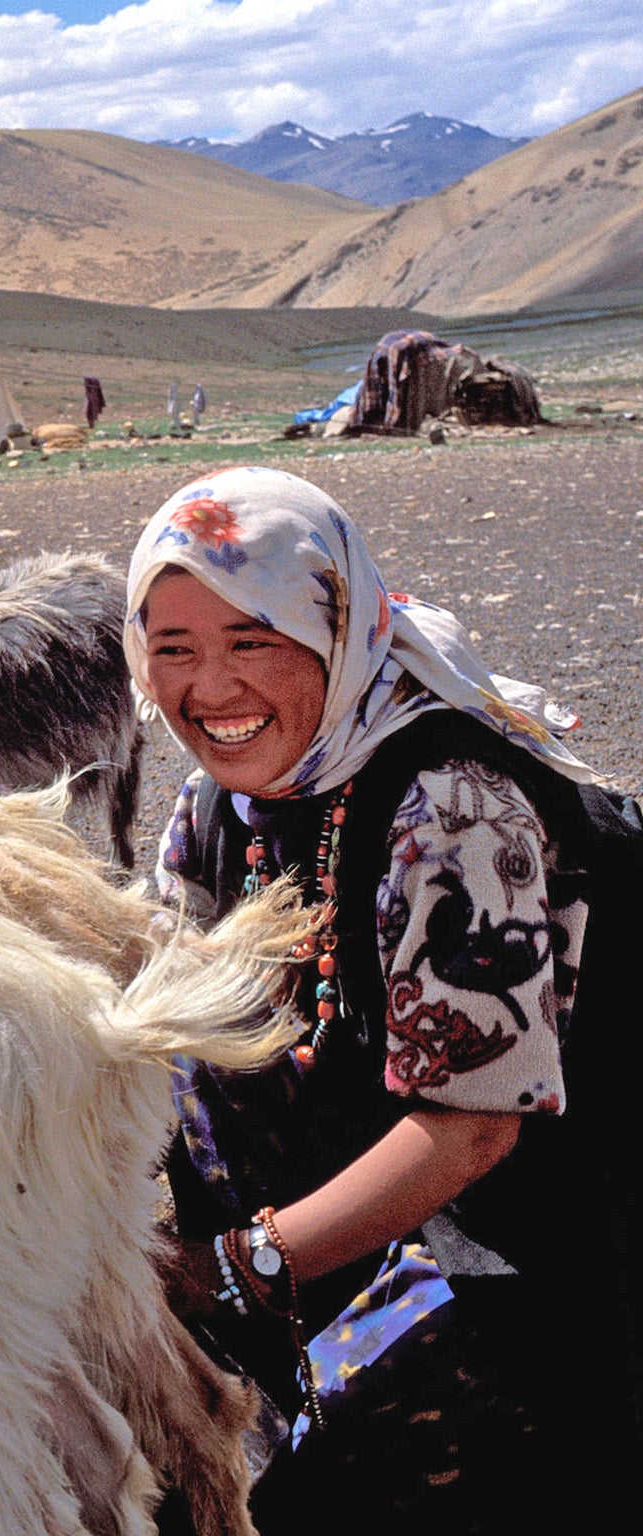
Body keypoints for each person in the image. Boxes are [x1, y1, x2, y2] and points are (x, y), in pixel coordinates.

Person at [125, 467, 637, 1528]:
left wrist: (240, 1269)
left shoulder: (447, 809)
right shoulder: (215, 811)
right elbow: (172, 1030)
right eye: (171, 648)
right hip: (343, 1240)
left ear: (334, 629)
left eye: (250, 641)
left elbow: (468, 1134)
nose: (208, 689)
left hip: (522, 1252)